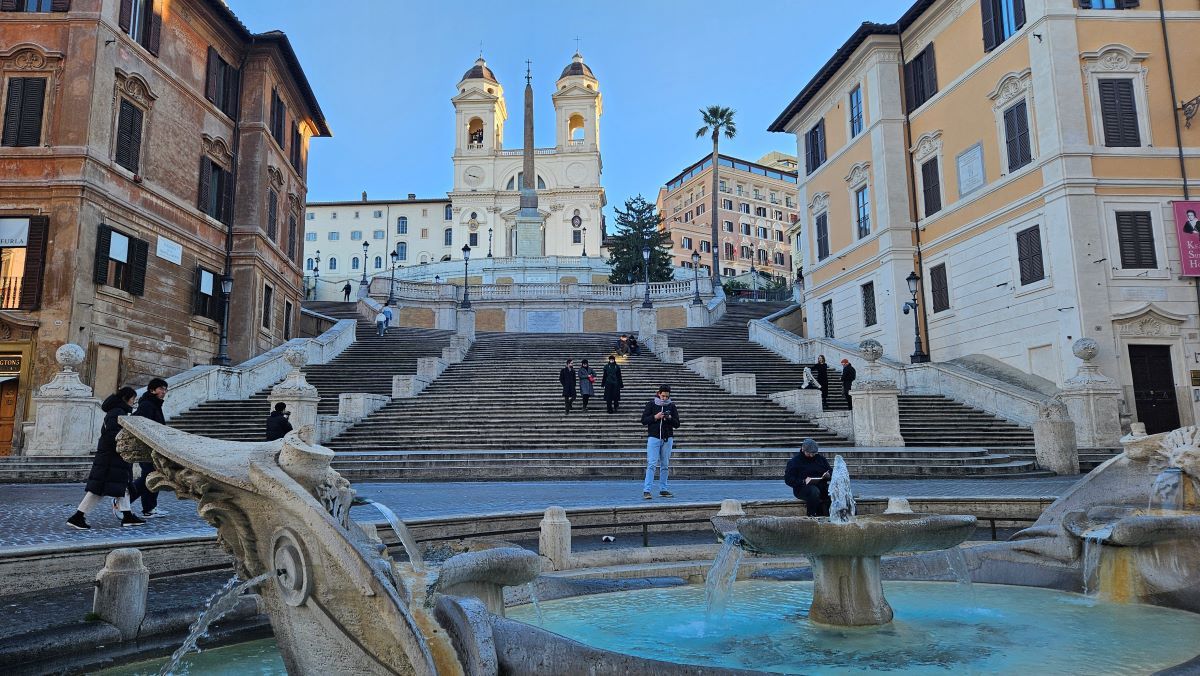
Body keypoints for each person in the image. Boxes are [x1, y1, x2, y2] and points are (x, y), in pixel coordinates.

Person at [67, 387, 146, 529]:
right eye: (133, 399)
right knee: (98, 490)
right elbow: (112, 436)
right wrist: (125, 445)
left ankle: (127, 516)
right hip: (110, 459)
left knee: (122, 486)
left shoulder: (117, 411)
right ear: (126, 398)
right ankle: (77, 517)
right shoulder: (117, 412)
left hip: (113, 458)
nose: (133, 402)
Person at [130, 378, 169, 518]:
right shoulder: (147, 405)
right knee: (150, 476)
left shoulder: (154, 404)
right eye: (161, 389)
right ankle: (125, 498)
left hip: (154, 447)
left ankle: (149, 508)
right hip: (147, 448)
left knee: (152, 476)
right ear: (152, 390)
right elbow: (141, 425)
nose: (164, 392)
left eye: (165, 389)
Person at [640, 384, 680, 499]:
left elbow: (677, 424)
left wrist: (670, 418)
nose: (665, 398)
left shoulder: (672, 406)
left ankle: (663, 489)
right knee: (652, 464)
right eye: (663, 396)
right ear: (659, 394)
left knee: (665, 465)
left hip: (667, 438)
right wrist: (655, 417)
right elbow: (643, 420)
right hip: (654, 437)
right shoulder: (651, 404)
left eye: (667, 396)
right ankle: (647, 490)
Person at [784, 438, 833, 517]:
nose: (811, 455)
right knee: (814, 491)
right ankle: (812, 515)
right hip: (802, 488)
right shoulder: (794, 462)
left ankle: (830, 515)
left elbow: (830, 471)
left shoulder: (821, 459)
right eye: (809, 453)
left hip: (821, 486)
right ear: (803, 449)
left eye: (813, 453)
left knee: (831, 490)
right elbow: (788, 479)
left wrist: (828, 475)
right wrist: (803, 481)